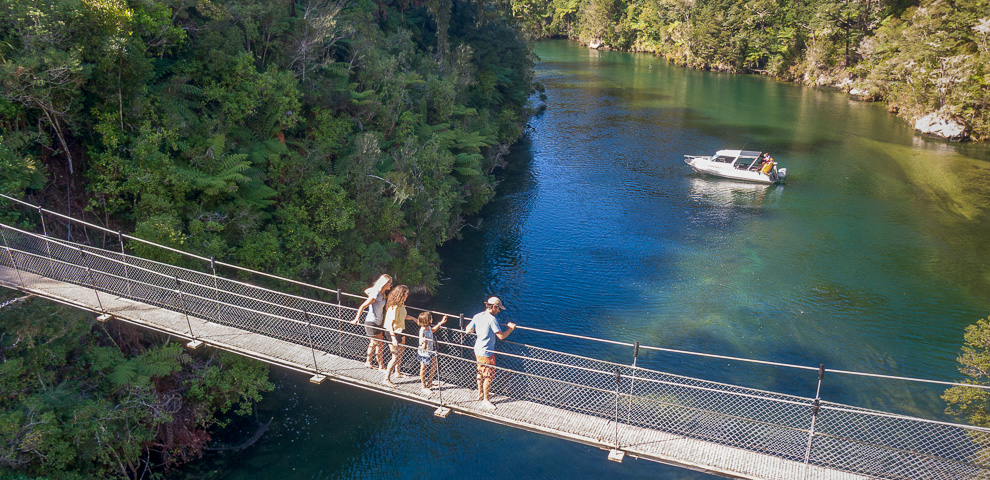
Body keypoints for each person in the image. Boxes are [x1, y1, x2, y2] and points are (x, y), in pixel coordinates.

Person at [465, 296, 516, 410]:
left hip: (477, 349)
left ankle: (480, 394)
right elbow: (501, 336)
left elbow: (467, 330)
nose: (499, 311)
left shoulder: (477, 316)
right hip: (487, 352)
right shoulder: (492, 319)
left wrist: (475, 329)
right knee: (488, 376)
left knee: (480, 371)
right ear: (494, 307)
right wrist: (510, 329)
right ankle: (486, 400)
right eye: (498, 309)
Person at [351, 274, 392, 370]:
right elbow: (363, 306)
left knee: (373, 343)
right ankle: (381, 365)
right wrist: (357, 318)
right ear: (384, 284)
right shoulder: (376, 295)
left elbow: (367, 291)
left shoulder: (382, 294)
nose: (391, 285)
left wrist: (371, 292)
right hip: (371, 323)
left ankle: (368, 362)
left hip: (378, 323)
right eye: (390, 283)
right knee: (380, 344)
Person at [384, 285, 416, 386]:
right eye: (407, 294)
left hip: (401, 330)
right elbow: (389, 324)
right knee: (395, 357)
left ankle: (397, 372)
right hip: (393, 333)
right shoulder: (394, 307)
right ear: (401, 294)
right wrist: (393, 338)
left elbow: (403, 316)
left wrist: (413, 318)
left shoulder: (401, 305)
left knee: (401, 353)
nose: (408, 295)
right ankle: (386, 378)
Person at [416, 311, 448, 394]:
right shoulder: (422, 330)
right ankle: (423, 386)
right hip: (424, 352)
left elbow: (433, 330)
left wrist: (441, 322)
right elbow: (422, 346)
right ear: (427, 320)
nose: (432, 319)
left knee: (434, 365)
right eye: (431, 318)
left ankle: (430, 382)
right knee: (423, 368)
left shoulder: (428, 327)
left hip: (431, 350)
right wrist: (424, 343)